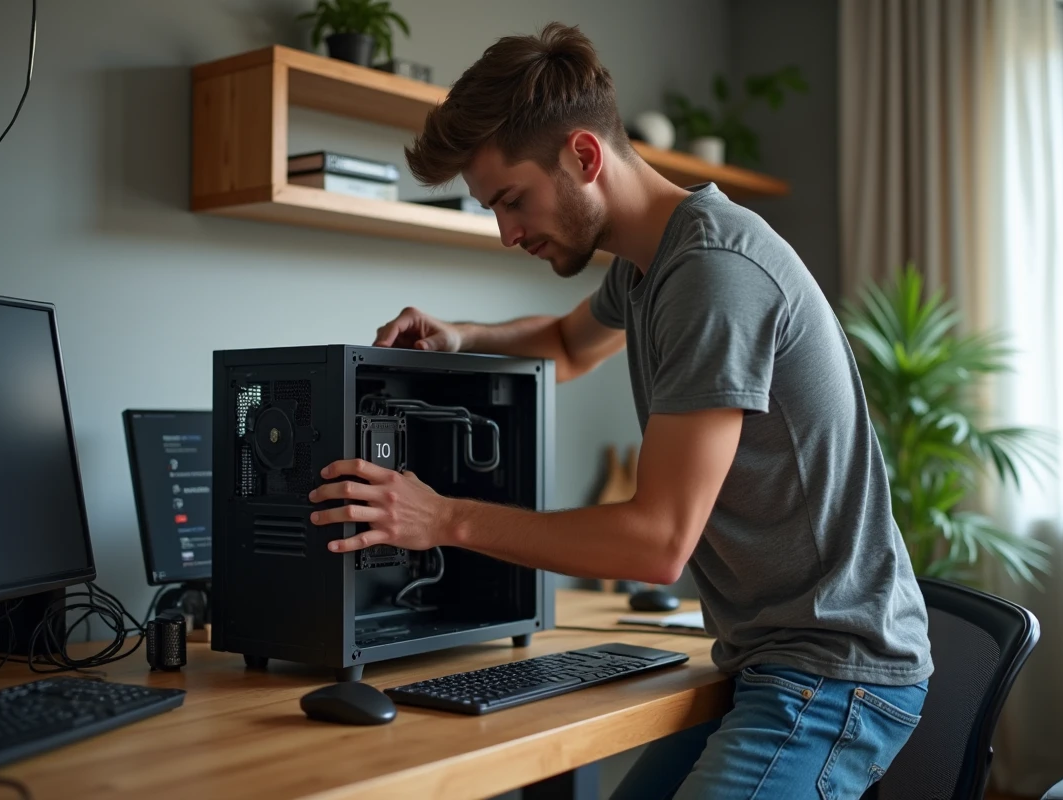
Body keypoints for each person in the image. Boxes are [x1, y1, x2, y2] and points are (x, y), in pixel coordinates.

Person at [307, 22, 933, 800]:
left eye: (512, 201)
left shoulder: (711, 275)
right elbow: (567, 345)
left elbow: (657, 543)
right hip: (767, 660)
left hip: (833, 673)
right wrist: (461, 335)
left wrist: (443, 520)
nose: (506, 234)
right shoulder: (652, 263)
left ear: (584, 158)